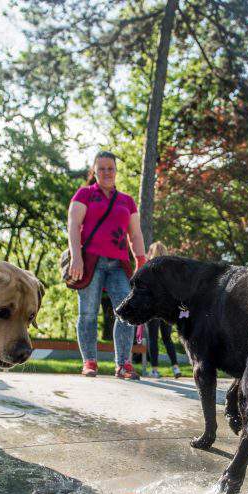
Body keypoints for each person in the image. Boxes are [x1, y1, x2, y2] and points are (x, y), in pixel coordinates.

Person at [66, 150, 146, 379]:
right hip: (90, 261)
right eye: (102, 168)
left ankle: (123, 365)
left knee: (126, 312)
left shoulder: (126, 201)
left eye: (110, 168)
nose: (107, 172)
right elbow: (73, 226)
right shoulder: (84, 195)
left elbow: (136, 234)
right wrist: (76, 257)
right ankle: (89, 362)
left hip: (119, 264)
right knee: (88, 313)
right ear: (95, 171)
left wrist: (141, 260)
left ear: (116, 171)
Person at [143, 242, 182, 379]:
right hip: (166, 308)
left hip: (152, 308)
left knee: (152, 339)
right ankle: (176, 367)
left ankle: (154, 369)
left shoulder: (148, 269)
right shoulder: (171, 271)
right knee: (167, 338)